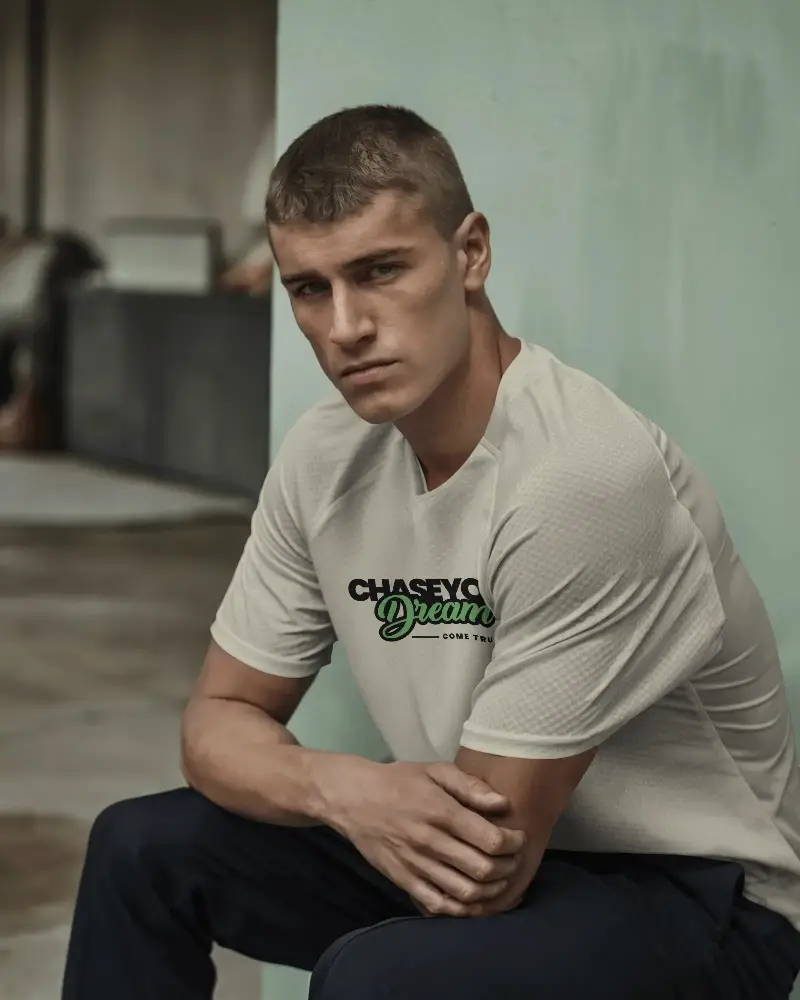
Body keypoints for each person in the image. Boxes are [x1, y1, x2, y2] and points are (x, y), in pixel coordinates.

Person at [61, 105, 800, 999]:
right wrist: (338, 789)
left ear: (471, 253)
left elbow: (487, 864)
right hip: (483, 839)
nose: (345, 327)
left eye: (380, 271)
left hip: (696, 893)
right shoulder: (325, 455)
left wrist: (346, 795)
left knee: (378, 978)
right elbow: (214, 725)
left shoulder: (582, 476)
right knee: (141, 849)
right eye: (308, 288)